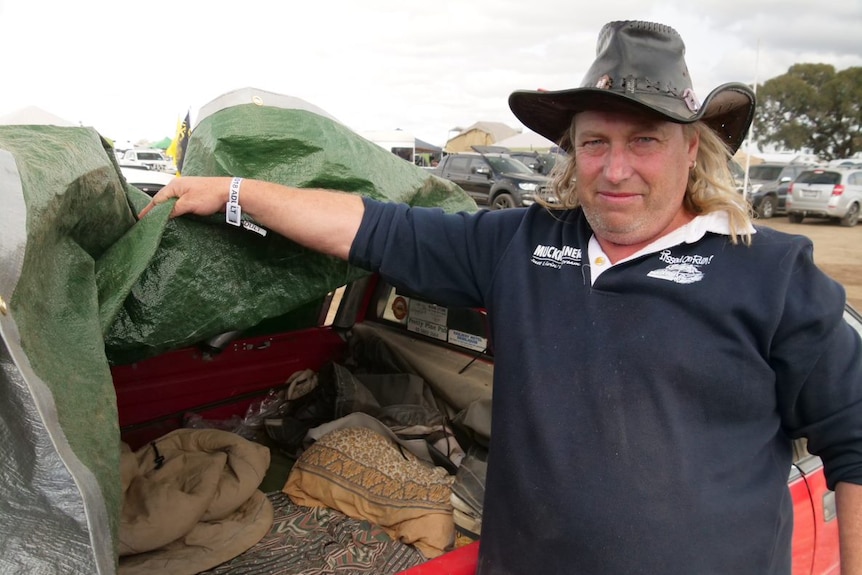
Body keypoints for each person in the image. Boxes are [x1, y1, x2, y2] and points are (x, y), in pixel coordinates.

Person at [140, 20, 862, 575]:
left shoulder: (773, 272)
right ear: (571, 152)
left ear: (691, 149)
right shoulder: (519, 245)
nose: (615, 168)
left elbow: (853, 440)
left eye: (643, 141)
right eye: (594, 142)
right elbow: (369, 227)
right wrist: (231, 192)